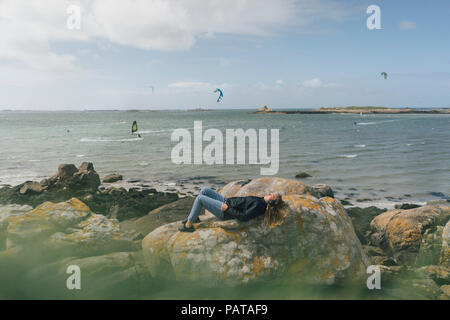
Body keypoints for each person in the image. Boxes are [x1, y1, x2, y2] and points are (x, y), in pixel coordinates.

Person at [179, 187, 284, 232]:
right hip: (226, 201)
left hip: (225, 211)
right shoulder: (260, 201)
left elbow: (244, 216)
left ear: (271, 202)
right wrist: (227, 203)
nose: (269, 194)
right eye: (271, 193)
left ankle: (189, 225)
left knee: (200, 198)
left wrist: (227, 209)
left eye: (272, 196)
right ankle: (194, 217)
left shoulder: (259, 206)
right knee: (205, 190)